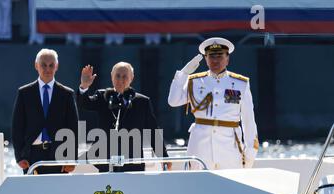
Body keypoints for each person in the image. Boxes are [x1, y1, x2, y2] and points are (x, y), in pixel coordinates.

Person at [168, 37, 259, 170]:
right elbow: (173, 101)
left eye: (220, 56)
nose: (215, 60)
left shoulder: (241, 83)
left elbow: (248, 121)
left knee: (231, 187)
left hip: (230, 147)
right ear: (206, 59)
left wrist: (250, 152)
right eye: (211, 56)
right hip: (200, 147)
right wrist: (183, 74)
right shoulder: (195, 81)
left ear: (227, 59)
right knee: (198, 186)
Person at [78, 62, 171, 172]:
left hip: (132, 162)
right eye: (117, 76)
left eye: (125, 76)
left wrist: (163, 157)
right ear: (112, 76)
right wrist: (84, 86)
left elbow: (153, 131)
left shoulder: (142, 102)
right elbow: (85, 103)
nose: (120, 80)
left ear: (131, 78)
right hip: (106, 161)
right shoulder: (102, 96)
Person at [11, 48, 78, 174]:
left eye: (51, 65)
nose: (47, 69)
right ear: (36, 66)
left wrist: (71, 158)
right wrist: (19, 156)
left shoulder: (67, 94)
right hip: (31, 156)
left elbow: (73, 129)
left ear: (56, 66)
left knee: (58, 193)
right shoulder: (24, 93)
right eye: (43, 65)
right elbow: (17, 127)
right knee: (34, 193)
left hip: (60, 155)